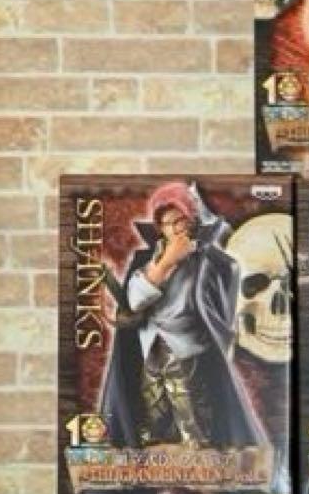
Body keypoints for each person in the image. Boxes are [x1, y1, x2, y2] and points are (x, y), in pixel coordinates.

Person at [100, 181, 263, 451]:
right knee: (154, 402)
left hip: (188, 346)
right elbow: (135, 300)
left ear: (192, 220)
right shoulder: (149, 259)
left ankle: (197, 452)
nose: (175, 228)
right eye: (167, 223)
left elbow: (221, 308)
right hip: (151, 345)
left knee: (189, 407)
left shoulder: (210, 262)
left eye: (180, 220)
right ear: (159, 229)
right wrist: (166, 263)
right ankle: (160, 450)